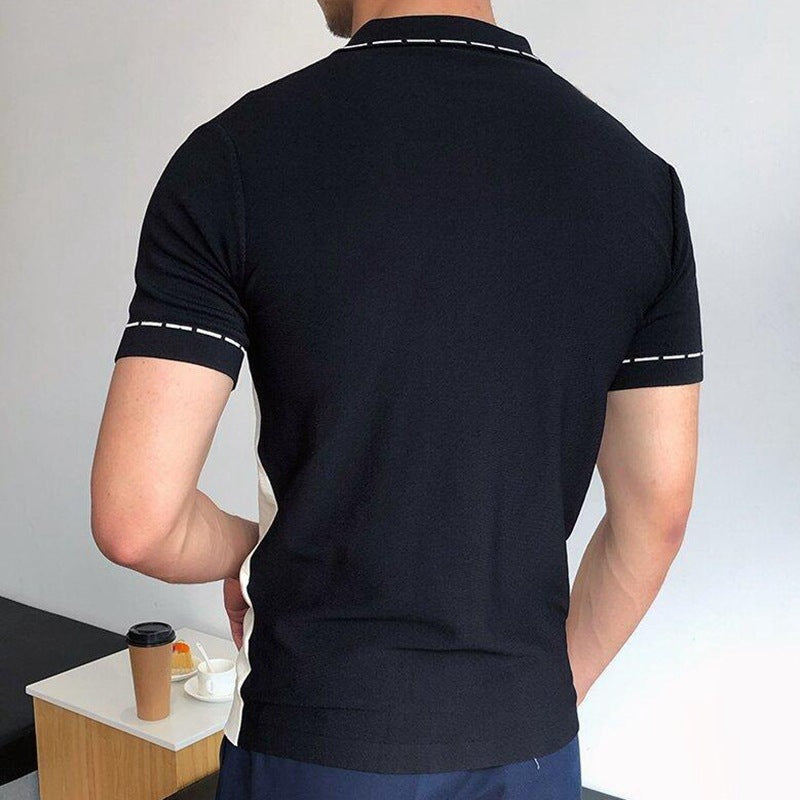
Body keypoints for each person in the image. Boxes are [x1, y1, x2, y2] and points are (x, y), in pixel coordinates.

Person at [91, 1, 703, 797]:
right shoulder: (640, 185)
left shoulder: (234, 159)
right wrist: (544, 696)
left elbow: (137, 521)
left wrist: (249, 545)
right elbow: (657, 513)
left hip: (316, 739)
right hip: (528, 743)